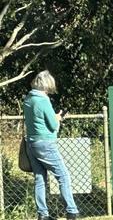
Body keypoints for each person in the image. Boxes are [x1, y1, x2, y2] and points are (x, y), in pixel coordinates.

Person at [23, 71, 79, 220]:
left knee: (40, 179)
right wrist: (58, 117)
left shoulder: (28, 99)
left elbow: (37, 119)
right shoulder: (43, 100)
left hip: (31, 143)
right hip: (46, 143)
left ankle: (43, 214)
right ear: (47, 85)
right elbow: (53, 125)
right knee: (63, 176)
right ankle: (71, 211)